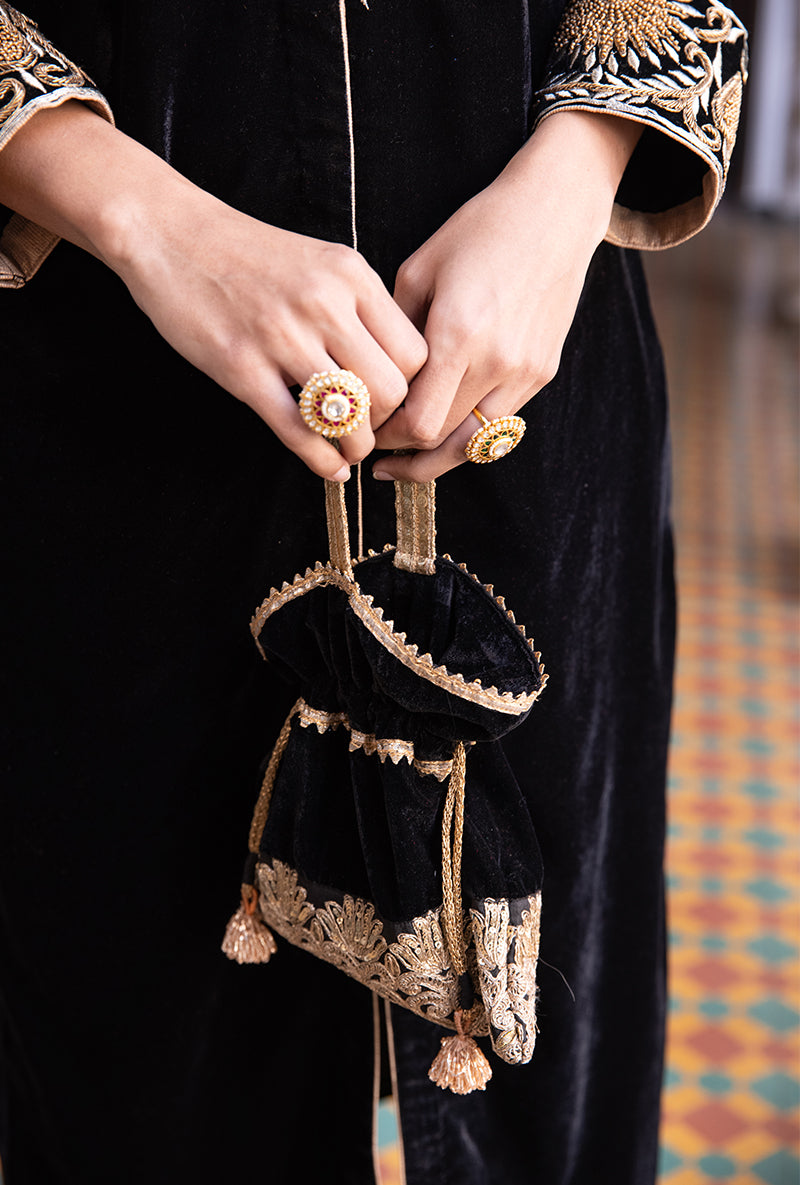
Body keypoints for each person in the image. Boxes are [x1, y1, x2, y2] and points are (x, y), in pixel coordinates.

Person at [0, 2, 747, 1183]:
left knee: (550, 1062)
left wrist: (579, 164)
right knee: (144, 1063)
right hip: (112, 412)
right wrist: (144, 219)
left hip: (533, 381)